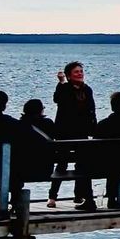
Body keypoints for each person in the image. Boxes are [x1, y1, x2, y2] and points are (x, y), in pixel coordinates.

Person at [49, 60, 97, 209]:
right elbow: (57, 98)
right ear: (69, 76)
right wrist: (61, 82)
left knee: (82, 164)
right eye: (76, 72)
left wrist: (93, 129)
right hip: (65, 132)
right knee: (62, 164)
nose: (80, 74)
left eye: (81, 71)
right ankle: (52, 197)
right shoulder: (65, 89)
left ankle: (80, 195)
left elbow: (92, 110)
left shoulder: (87, 90)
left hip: (82, 132)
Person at [15, 99, 57, 190]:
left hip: (22, 169)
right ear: (41, 110)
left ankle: (15, 200)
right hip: (45, 170)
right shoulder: (48, 123)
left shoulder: (19, 125)